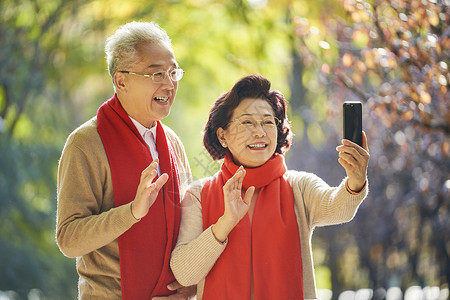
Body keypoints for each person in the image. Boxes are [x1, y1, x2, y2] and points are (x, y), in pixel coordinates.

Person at [170, 74, 370, 300]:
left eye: (268, 122)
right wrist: (225, 223)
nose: (260, 132)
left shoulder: (299, 186)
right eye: (247, 122)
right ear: (222, 135)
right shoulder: (198, 194)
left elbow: (337, 207)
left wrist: (355, 180)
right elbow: (184, 274)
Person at [56, 21, 195, 299]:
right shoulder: (86, 143)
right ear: (121, 81)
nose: (169, 84)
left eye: (172, 72)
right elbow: (69, 239)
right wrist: (132, 212)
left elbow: (189, 227)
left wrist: (190, 285)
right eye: (157, 74)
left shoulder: (172, 142)